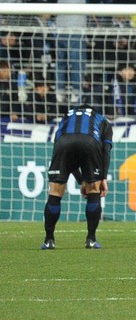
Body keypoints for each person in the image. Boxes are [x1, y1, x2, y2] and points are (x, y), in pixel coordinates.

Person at [42, 104, 113, 250]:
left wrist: (81, 180)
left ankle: (49, 240)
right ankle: (91, 239)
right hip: (90, 142)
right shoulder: (102, 120)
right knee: (94, 189)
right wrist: (103, 178)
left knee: (55, 191)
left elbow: (67, 155)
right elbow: (106, 150)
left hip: (64, 142)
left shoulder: (67, 117)